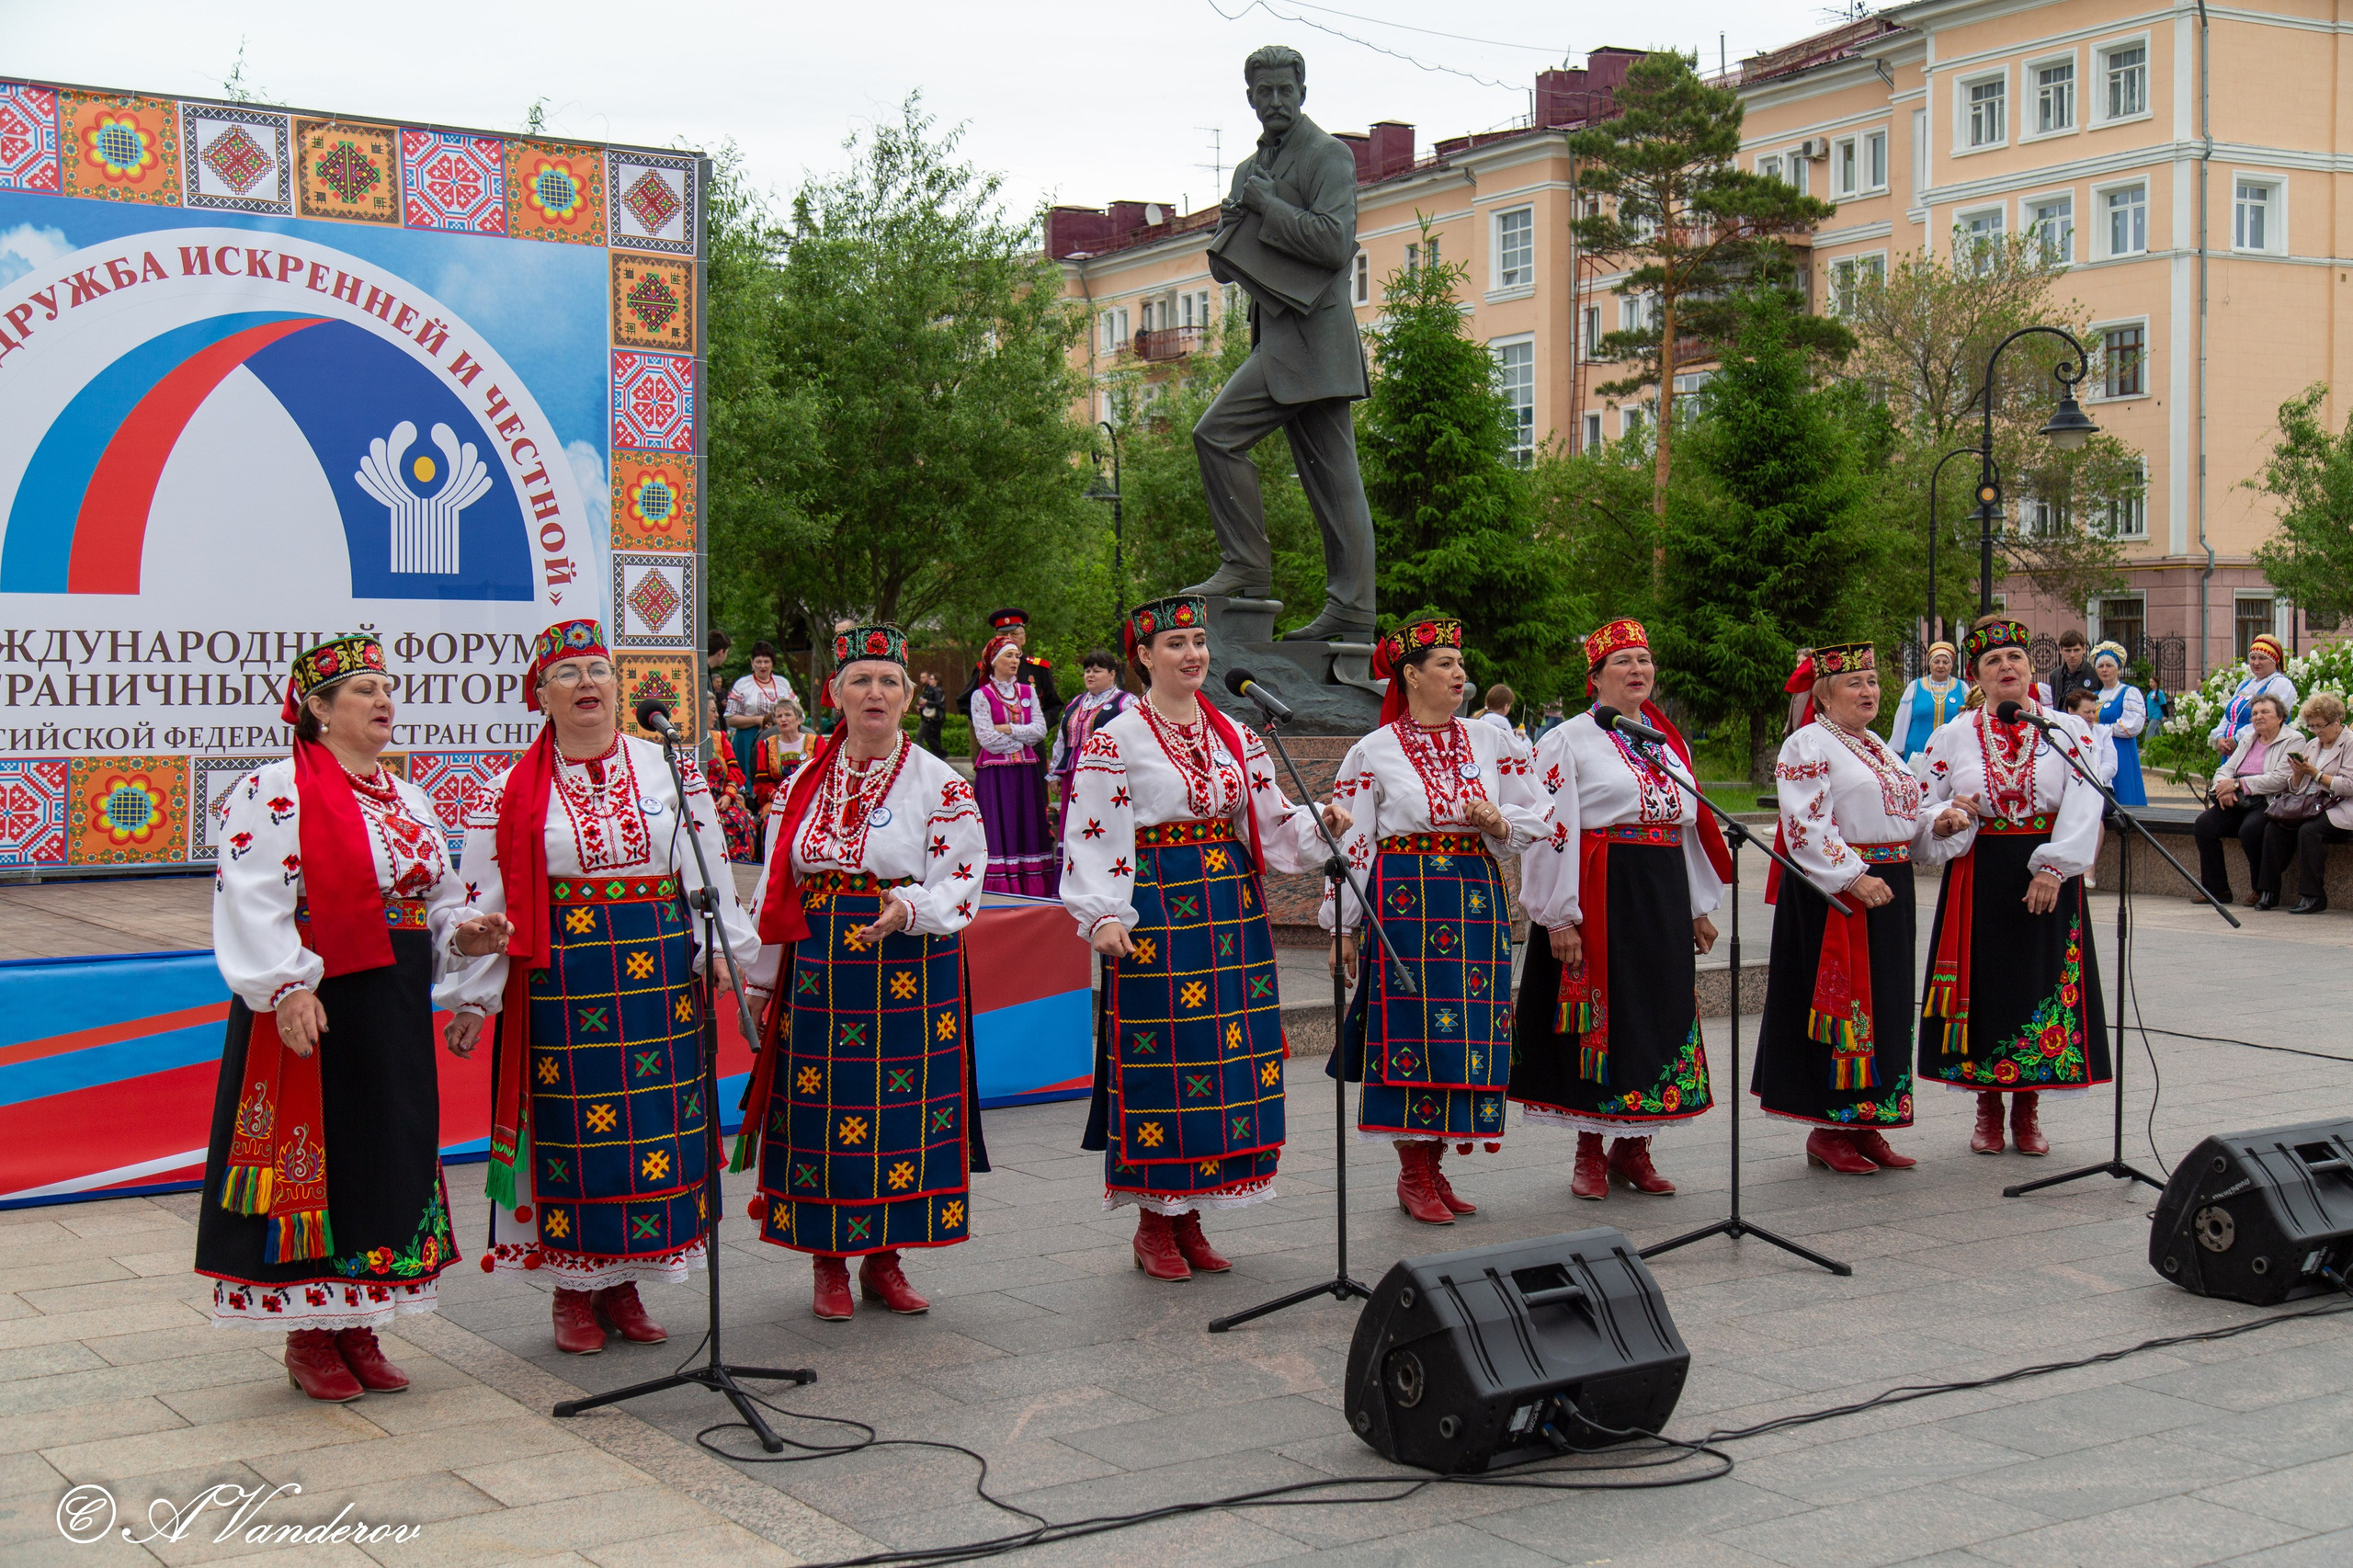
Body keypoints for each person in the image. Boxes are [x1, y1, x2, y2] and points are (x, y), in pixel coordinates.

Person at [197, 634, 512, 1401]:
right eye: (364, 689)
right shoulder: (276, 788)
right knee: (324, 1148)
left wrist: (465, 935)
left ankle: (360, 1321)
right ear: (317, 707)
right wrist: (286, 986)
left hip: (391, 997)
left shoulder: (407, 797)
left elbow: (435, 902)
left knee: (386, 1143)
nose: (383, 701)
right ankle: (311, 1333)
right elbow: (252, 894)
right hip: (321, 994)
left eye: (386, 688)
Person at [449, 619, 756, 1355]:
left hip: (659, 977)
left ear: (618, 686)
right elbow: (485, 902)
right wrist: (476, 998)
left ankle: (625, 1283)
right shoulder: (508, 790)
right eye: (567, 673)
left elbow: (707, 865)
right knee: (576, 1133)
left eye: (598, 669)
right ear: (541, 696)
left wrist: (721, 949)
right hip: (565, 978)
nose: (587, 683)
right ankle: (574, 1289)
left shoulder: (667, 768)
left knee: (654, 1126)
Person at [1061, 594, 1349, 1279]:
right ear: (1143, 656)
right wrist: (1103, 913)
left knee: (1226, 1060)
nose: (1192, 654)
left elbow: (1269, 824)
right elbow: (1092, 831)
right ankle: (1154, 1223)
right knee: (1166, 1058)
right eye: (1175, 644)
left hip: (1231, 908)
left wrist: (1321, 822)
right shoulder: (1114, 740)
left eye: (1198, 641)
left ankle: (1192, 1215)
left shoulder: (1237, 735)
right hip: (1157, 906)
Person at [737, 624, 990, 1321]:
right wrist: (759, 981)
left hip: (910, 961)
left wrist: (907, 908)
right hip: (819, 965)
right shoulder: (800, 784)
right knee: (822, 1112)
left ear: (907, 697)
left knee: (905, 1113)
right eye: (861, 680)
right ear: (835, 693)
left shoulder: (941, 782)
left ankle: (885, 1260)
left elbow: (962, 877)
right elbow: (777, 888)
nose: (874, 693)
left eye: (888, 682)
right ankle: (828, 1262)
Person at [1324, 619, 1543, 1221]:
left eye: (1460, 663)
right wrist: (1342, 925)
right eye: (1444, 663)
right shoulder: (1374, 750)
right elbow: (1354, 841)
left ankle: (1436, 1161)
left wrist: (1499, 823)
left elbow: (1536, 810)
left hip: (1474, 898)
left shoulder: (1490, 740)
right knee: (1412, 1031)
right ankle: (1412, 1171)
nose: (1458, 673)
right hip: (1405, 901)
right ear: (1411, 675)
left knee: (1467, 1031)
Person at [1511, 619, 1732, 1202]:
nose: (1638, 670)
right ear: (1596, 677)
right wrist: (1558, 916)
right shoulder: (1568, 740)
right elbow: (1551, 831)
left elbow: (1685, 829)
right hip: (1603, 891)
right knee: (1604, 1018)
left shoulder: (1664, 741)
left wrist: (1697, 907)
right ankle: (1589, 1148)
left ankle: (1634, 1147)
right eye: (1623, 662)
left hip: (1661, 892)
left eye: (1644, 659)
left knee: (1656, 1014)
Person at [1186, 45, 1378, 642]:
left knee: (1227, 439)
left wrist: (1267, 206)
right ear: (1250, 97)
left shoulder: (1328, 155)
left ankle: (1272, 576)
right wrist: (1228, 231)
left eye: (1284, 91)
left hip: (1314, 336)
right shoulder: (1248, 169)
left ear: (1302, 92)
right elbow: (1227, 268)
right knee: (1326, 477)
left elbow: (1333, 242)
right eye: (1264, 92)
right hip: (1277, 337)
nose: (1275, 101)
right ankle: (1336, 602)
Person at [1917, 616, 2110, 1158]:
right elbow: (1920, 801)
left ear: (2030, 667)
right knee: (1985, 987)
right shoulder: (1953, 735)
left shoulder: (2065, 730)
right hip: (1979, 873)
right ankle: (1987, 1107)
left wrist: (2055, 868)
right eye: (1993, 661)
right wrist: (1945, 819)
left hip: (2045, 873)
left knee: (2038, 983)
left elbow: (2086, 798)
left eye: (2015, 657)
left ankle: (2027, 1109)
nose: (2007, 667)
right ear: (1976, 676)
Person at [1752, 642, 1945, 1176]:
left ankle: (1867, 1122)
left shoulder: (1879, 747)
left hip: (1888, 885)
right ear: (1823, 694)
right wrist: (1852, 876)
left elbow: (1902, 820)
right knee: (1841, 1006)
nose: (1868, 691)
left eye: (1873, 681)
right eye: (1854, 683)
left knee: (1885, 1002)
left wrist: (1938, 824)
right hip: (1835, 892)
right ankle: (1828, 1128)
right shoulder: (1807, 745)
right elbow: (1804, 825)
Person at [971, 633, 1058, 896]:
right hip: (995, 775)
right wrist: (1022, 738)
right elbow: (987, 739)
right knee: (999, 825)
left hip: (1025, 773)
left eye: (1017, 656)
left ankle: (1032, 888)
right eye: (1008, 655)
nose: (1015, 660)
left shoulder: (1028, 692)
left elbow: (1040, 731)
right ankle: (1000, 887)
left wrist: (1008, 729)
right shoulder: (981, 695)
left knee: (1027, 823)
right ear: (994, 661)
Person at [2196, 692, 2299, 909]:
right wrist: (2224, 788)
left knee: (2250, 830)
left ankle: (2260, 889)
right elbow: (2226, 769)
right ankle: (2217, 889)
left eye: (2265, 712)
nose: (2258, 717)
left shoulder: (2293, 740)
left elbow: (2280, 779)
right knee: (2204, 824)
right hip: (2237, 798)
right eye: (2254, 713)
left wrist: (2238, 784)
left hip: (2267, 800)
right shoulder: (2249, 739)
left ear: (2280, 717)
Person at [2264, 693, 2351, 915]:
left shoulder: (2350, 743)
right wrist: (2297, 775)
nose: (2316, 731)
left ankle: (2313, 896)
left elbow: (2349, 785)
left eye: (2320, 726)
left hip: (2338, 806)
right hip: (2308, 804)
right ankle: (2268, 891)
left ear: (2337, 721)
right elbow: (2296, 788)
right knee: (2274, 827)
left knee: (2309, 831)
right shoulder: (2313, 744)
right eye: (2312, 726)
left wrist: (2316, 774)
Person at [1050, 650, 1136, 840]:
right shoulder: (1076, 703)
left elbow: (1136, 737)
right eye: (1087, 671)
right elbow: (1062, 739)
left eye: (1097, 671)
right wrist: (1055, 773)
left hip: (1106, 772)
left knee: (1098, 818)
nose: (1090, 675)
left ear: (1112, 674)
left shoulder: (1125, 702)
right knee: (1075, 819)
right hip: (1074, 772)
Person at [957, 608, 1062, 732]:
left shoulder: (1038, 669)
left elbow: (1054, 705)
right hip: (996, 738)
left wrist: (1036, 728)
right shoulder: (986, 668)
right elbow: (965, 703)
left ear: (1023, 638)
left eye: (1014, 634)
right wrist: (988, 725)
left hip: (1031, 740)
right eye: (1003, 635)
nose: (1008, 639)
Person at [2210, 634, 2299, 757]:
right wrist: (2220, 737)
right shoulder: (2244, 685)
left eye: (2262, 658)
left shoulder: (2281, 684)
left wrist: (2237, 739)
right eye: (2253, 658)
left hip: (2257, 749)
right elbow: (2229, 716)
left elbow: (2270, 720)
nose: (2256, 663)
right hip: (2231, 751)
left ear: (2275, 660)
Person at [725, 642, 798, 787]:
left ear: (773, 663)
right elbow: (730, 718)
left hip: (780, 736)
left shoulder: (782, 683)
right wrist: (757, 720)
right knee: (751, 777)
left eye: (766, 661)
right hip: (749, 738)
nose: (762, 666)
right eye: (758, 661)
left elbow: (797, 711)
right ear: (752, 663)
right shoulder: (742, 684)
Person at [1894, 642, 1969, 769]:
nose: (1941, 666)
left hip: (1952, 754)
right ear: (1930, 664)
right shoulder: (1915, 687)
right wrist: (1896, 750)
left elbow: (1968, 722)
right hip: (1917, 753)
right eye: (1936, 662)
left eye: (1945, 662)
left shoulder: (1962, 688)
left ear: (1951, 665)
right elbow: (1902, 721)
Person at [2090, 642, 2148, 808]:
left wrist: (2102, 729)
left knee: (2123, 789)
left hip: (2120, 750)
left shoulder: (2128, 693)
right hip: (2099, 751)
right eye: (2100, 666)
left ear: (2118, 669)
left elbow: (2132, 725)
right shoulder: (2094, 696)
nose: (2104, 669)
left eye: (2109, 665)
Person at [754, 699, 818, 818]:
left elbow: (823, 775)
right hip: (777, 800)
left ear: (799, 719)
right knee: (772, 819)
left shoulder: (816, 743)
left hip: (810, 799)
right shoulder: (766, 746)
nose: (783, 719)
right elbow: (762, 783)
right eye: (779, 716)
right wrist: (778, 797)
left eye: (788, 715)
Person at [2042, 630, 2099, 711]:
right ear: (2061, 650)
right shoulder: (2055, 675)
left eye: (2076, 650)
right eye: (2068, 650)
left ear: (2084, 649)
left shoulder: (2094, 674)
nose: (2072, 655)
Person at [915, 671, 949, 757]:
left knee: (928, 736)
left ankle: (942, 753)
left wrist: (926, 702)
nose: (929, 681)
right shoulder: (933, 690)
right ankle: (939, 755)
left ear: (936, 681)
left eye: (931, 679)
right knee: (935, 737)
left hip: (936, 717)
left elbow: (938, 703)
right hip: (935, 717)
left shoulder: (937, 690)